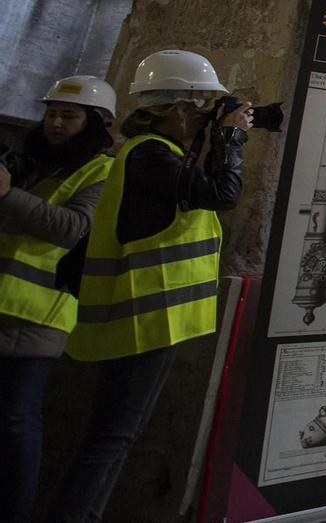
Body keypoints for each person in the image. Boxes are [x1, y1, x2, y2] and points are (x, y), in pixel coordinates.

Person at [45, 50, 251, 523]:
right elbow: (222, 194)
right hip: (141, 314)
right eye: (203, 105)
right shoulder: (151, 156)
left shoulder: (156, 153)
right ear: (180, 107)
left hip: (147, 312)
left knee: (113, 437)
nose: (206, 116)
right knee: (111, 438)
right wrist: (230, 139)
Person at [0, 76, 118, 523]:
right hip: (5, 303)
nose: (55, 123)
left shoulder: (102, 171)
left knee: (16, 420)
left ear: (94, 123)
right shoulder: (34, 163)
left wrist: (7, 195)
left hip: (38, 312)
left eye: (69, 116)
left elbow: (74, 228)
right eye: (51, 113)